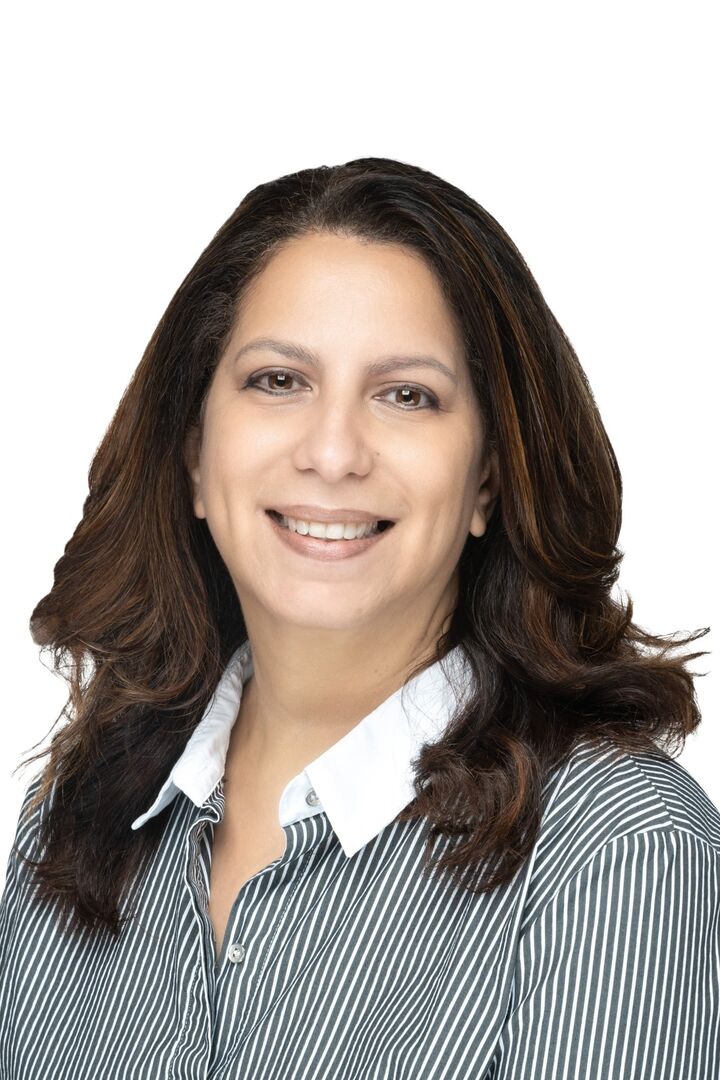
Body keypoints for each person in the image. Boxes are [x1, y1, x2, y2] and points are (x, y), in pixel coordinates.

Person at [0, 157, 717, 1079]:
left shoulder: (620, 850)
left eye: (406, 395)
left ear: (487, 480)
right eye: (277, 380)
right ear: (194, 453)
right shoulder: (72, 818)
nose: (333, 452)